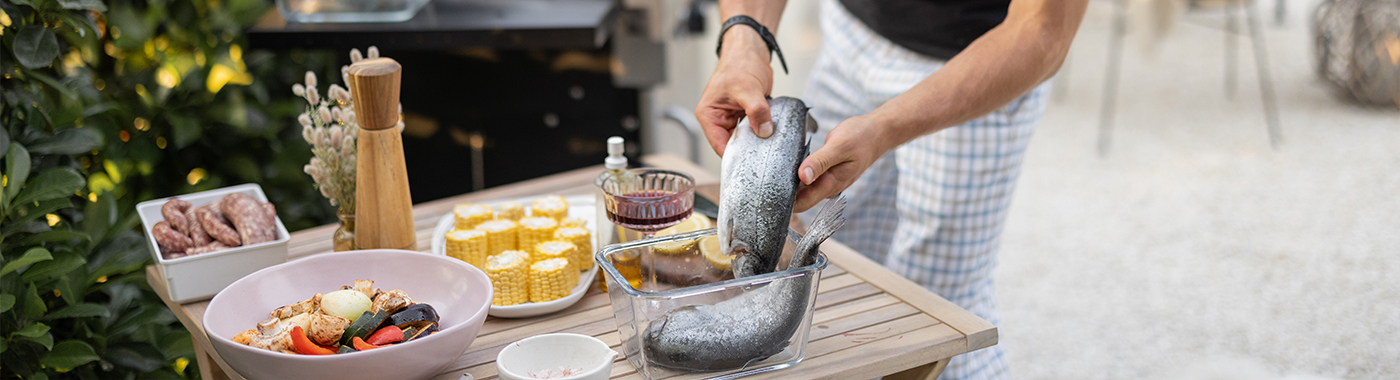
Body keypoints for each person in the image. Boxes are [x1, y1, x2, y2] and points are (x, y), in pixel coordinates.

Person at [696, 0, 1088, 379]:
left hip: (981, 63)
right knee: (834, 273)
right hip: (850, 33)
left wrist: (882, 129)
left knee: (938, 317)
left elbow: (1042, 30)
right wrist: (746, 36)